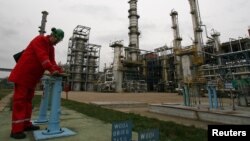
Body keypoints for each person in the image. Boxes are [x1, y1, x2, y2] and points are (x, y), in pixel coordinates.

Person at [8, 27, 64, 139]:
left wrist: (60, 70)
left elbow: (52, 61)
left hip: (32, 79)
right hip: (23, 75)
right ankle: (16, 130)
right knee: (20, 102)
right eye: (56, 40)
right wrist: (52, 70)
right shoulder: (40, 40)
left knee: (28, 101)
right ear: (53, 35)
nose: (57, 43)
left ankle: (26, 124)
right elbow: (43, 58)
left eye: (58, 42)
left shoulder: (51, 48)